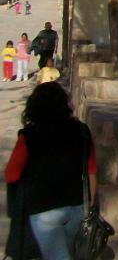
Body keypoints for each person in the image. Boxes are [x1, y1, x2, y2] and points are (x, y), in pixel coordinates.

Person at [4, 82, 97, 260]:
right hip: (77, 208)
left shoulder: (29, 136)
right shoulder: (82, 131)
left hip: (44, 211)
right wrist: (90, 208)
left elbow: (11, 174)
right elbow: (91, 171)